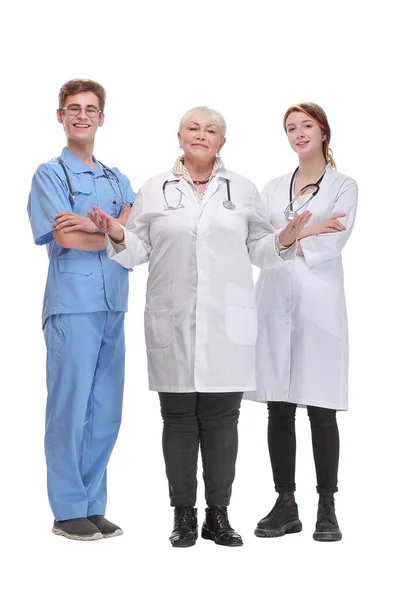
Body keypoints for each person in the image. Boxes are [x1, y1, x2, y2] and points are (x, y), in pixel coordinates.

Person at [88, 106, 311, 548]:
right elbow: (136, 251)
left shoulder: (241, 190)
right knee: (178, 420)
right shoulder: (156, 189)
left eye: (211, 130)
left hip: (227, 326)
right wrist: (116, 232)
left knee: (223, 421)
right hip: (173, 322)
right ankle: (184, 516)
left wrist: (285, 238)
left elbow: (261, 250)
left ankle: (219, 515)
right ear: (179, 136)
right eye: (194, 127)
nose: (202, 134)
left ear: (221, 143)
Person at [28, 79, 135, 541]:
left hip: (114, 305)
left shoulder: (117, 179)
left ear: (102, 118)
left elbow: (133, 238)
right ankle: (68, 507)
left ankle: (93, 504)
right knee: (69, 408)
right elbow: (66, 237)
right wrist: (111, 232)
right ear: (60, 116)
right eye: (73, 108)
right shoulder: (50, 175)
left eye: (91, 109)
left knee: (106, 409)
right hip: (72, 307)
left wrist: (110, 233)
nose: (82, 115)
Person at [247, 102, 358, 542]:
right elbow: (257, 245)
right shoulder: (272, 189)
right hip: (274, 303)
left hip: (319, 306)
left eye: (306, 125)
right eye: (291, 128)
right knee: (278, 406)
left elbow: (334, 240)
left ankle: (327, 506)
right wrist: (298, 233)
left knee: (321, 409)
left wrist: (291, 236)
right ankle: (285, 503)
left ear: (323, 131)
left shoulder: (344, 186)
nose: (298, 133)